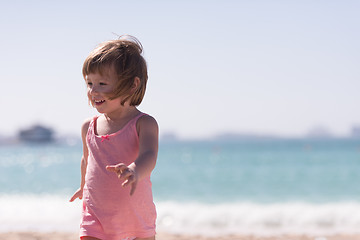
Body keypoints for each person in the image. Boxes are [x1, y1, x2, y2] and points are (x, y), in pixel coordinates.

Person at [69, 35, 158, 240]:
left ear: (131, 85)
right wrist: (83, 186)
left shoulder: (144, 123)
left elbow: (149, 155)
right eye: (89, 83)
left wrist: (135, 170)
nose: (93, 91)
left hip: (135, 217)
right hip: (95, 214)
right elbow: (87, 161)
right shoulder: (88, 127)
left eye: (102, 83)